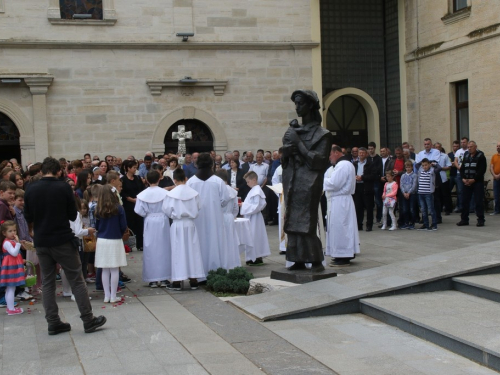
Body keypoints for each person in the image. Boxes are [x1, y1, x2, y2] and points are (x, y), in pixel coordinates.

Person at [24, 157, 106, 335]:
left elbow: (28, 215)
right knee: (77, 279)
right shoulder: (63, 187)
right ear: (59, 171)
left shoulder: (31, 188)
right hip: (61, 239)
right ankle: (88, 319)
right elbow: (71, 214)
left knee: (47, 281)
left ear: (42, 170)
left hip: (42, 240)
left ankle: (53, 321)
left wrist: (34, 230)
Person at [282, 90, 333, 271]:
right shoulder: (293, 131)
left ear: (310, 105)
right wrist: (286, 153)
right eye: (295, 104)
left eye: (300, 103)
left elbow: (317, 161)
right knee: (292, 221)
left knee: (306, 221)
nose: (297, 107)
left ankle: (316, 259)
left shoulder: (323, 134)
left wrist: (298, 143)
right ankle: (297, 259)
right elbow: (285, 159)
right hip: (294, 180)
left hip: (309, 181)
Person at [186, 153, 230, 274]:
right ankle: (215, 270)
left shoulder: (191, 182)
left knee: (199, 243)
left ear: (197, 164)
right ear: (211, 164)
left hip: (197, 218)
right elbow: (225, 199)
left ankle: (199, 272)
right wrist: (216, 206)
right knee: (215, 241)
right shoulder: (218, 181)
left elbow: (187, 200)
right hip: (214, 218)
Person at [163, 168, 206, 290]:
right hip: (190, 224)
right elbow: (198, 207)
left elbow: (166, 210)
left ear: (174, 180)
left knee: (178, 251)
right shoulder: (194, 193)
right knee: (192, 251)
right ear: (185, 179)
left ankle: (177, 281)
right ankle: (194, 280)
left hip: (177, 224)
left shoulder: (171, 194)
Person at [324, 145, 359, 267]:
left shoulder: (343, 165)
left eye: (330, 155)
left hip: (341, 201)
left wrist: (320, 180)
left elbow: (335, 183)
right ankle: (340, 254)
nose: (329, 158)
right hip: (340, 200)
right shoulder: (343, 164)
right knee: (339, 228)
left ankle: (343, 255)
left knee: (341, 228)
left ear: (336, 153)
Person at [134, 170, 171, 288]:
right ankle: (164, 278)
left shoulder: (143, 195)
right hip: (163, 220)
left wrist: (148, 214)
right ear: (159, 179)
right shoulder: (165, 193)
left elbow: (138, 210)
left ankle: (152, 279)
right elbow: (170, 208)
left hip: (150, 221)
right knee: (164, 248)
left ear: (147, 180)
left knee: (150, 249)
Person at [95, 185, 128, 303]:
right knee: (114, 269)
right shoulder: (119, 208)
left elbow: (96, 226)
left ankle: (106, 295)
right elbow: (123, 225)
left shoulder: (99, 209)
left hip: (102, 240)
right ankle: (113, 295)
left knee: (105, 269)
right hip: (115, 238)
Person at [240, 171, 271, 266]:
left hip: (255, 218)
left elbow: (256, 206)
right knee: (251, 236)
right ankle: (251, 257)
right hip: (251, 217)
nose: (247, 183)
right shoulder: (253, 190)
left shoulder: (257, 191)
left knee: (255, 237)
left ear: (254, 180)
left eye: (248, 181)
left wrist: (243, 205)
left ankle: (256, 257)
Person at [457, 141, 487, 227]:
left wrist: (474, 179)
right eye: (468, 147)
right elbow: (462, 168)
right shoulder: (466, 156)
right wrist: (463, 178)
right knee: (464, 201)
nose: (469, 148)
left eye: (471, 147)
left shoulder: (481, 156)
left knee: (478, 201)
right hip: (466, 182)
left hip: (477, 182)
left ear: (475, 147)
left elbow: (482, 170)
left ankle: (481, 220)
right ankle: (464, 219)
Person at [215, 169, 240, 269]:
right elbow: (235, 208)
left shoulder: (218, 190)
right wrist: (232, 215)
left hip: (220, 217)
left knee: (221, 242)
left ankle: (222, 264)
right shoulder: (233, 191)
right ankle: (233, 264)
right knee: (231, 241)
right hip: (229, 217)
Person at [0, 221, 25, 315]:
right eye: (10, 231)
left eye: (14, 230)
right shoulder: (6, 242)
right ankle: (11, 309)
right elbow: (14, 253)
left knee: (10, 288)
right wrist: (18, 243)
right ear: (4, 233)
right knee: (11, 288)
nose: (13, 233)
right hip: (10, 268)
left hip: (12, 267)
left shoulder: (11, 241)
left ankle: (10, 308)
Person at [120, 159, 145, 251]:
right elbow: (122, 192)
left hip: (138, 203)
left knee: (139, 225)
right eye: (134, 167)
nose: (135, 169)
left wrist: (138, 199)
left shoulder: (138, 178)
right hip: (128, 205)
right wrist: (131, 199)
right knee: (130, 224)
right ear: (128, 168)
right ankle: (129, 245)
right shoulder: (123, 180)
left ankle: (140, 244)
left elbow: (142, 189)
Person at [353, 147, 378, 232]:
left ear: (366, 154)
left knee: (369, 207)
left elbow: (373, 176)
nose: (361, 154)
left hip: (367, 187)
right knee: (358, 207)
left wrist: (362, 177)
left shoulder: (371, 164)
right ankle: (359, 224)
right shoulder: (355, 163)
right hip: (357, 187)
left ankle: (369, 225)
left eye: (363, 153)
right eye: (360, 153)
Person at [416, 158, 442, 231]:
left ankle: (434, 224)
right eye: (423, 165)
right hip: (420, 193)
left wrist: (433, 164)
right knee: (423, 210)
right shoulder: (420, 171)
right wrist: (422, 161)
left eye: (426, 165)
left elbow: (439, 168)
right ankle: (426, 224)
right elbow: (416, 165)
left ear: (429, 165)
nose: (424, 167)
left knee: (431, 209)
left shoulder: (432, 171)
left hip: (428, 193)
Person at [399, 161, 418, 229]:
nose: (408, 169)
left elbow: (414, 185)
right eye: (406, 167)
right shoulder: (403, 175)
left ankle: (412, 223)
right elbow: (401, 185)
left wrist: (409, 192)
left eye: (409, 167)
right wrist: (404, 192)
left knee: (412, 209)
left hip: (412, 194)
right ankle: (406, 222)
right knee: (405, 209)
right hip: (404, 194)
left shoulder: (414, 175)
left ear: (412, 167)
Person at [490, 141, 500, 215]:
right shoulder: (494, 156)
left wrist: (499, 175)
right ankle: (496, 210)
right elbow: (491, 167)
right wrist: (495, 175)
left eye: (499, 146)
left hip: (498, 177)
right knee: (496, 195)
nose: (498, 147)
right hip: (495, 179)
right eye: (497, 146)